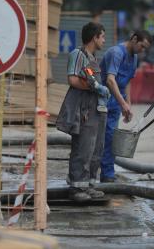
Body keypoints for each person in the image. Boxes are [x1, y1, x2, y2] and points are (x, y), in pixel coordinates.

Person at [56, 22, 109, 202]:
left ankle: (89, 185)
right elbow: (72, 80)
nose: (104, 40)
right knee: (83, 149)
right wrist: (94, 88)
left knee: (95, 149)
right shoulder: (78, 54)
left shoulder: (92, 57)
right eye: (102, 36)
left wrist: (100, 91)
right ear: (94, 37)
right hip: (84, 109)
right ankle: (77, 188)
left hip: (96, 109)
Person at [99, 30, 152, 183]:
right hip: (101, 100)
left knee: (111, 138)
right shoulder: (117, 53)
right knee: (97, 139)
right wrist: (123, 103)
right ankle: (89, 175)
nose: (142, 51)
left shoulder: (134, 58)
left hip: (116, 102)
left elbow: (127, 81)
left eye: (145, 49)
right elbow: (110, 80)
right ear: (134, 39)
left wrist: (128, 104)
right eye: (142, 46)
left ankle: (107, 175)